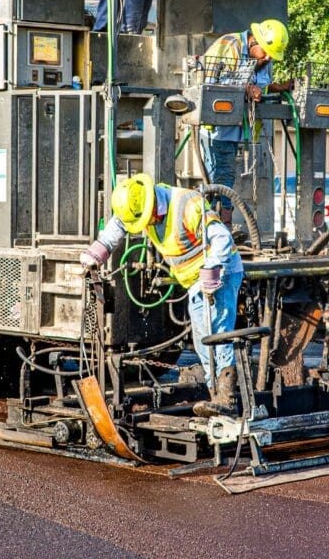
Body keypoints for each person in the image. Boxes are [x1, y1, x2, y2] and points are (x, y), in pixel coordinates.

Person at [81, 173, 246, 416]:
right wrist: (97, 252)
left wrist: (212, 268)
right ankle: (216, 397)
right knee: (203, 339)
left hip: (221, 272)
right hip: (195, 281)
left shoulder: (187, 205)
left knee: (217, 333)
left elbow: (221, 237)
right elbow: (118, 224)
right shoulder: (140, 205)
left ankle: (228, 400)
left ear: (151, 204)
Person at [197, 19, 288, 221]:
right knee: (222, 177)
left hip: (234, 126)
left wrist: (277, 88)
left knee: (225, 177)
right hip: (216, 126)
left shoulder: (261, 57)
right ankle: (221, 225)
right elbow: (213, 84)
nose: (267, 58)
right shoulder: (229, 46)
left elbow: (260, 83)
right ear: (254, 41)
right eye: (265, 52)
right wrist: (246, 88)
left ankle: (217, 224)